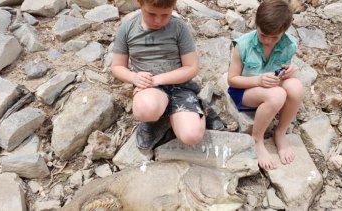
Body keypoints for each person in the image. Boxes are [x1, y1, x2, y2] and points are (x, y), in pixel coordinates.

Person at [111, 0, 223, 150]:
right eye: (151, 14)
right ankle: (154, 121)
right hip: (149, 89)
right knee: (145, 109)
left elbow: (191, 67)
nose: (158, 20)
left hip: (180, 86)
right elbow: (117, 66)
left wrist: (157, 79)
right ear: (139, 3)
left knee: (192, 136)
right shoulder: (128, 27)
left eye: (165, 15)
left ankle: (201, 109)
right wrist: (134, 77)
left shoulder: (178, 27)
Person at [227, 0, 304, 170]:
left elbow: (283, 70)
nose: (268, 41)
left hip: (271, 87)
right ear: (256, 25)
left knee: (296, 86)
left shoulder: (289, 44)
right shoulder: (243, 45)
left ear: (284, 31)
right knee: (278, 95)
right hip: (245, 91)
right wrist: (258, 81)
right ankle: (257, 139)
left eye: (275, 37)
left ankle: (280, 133)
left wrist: (290, 70)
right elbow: (232, 80)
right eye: (263, 35)